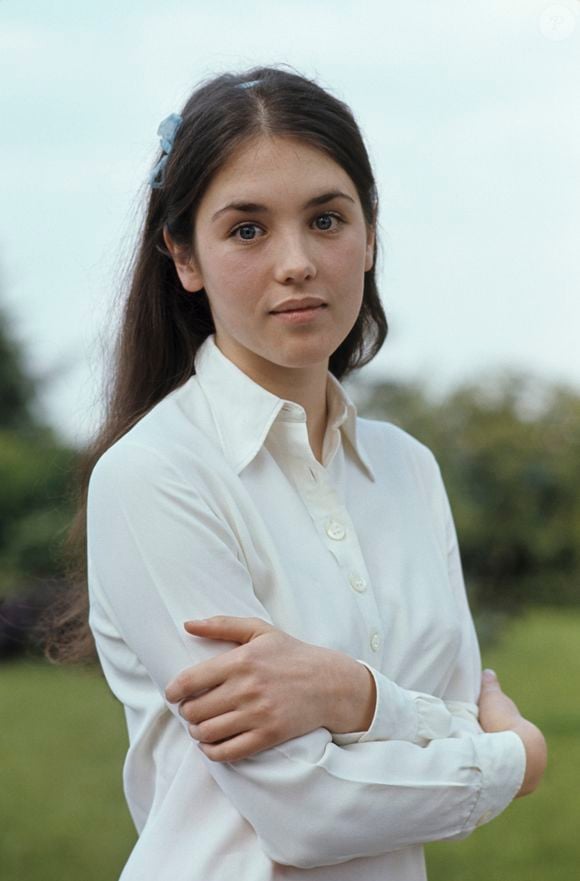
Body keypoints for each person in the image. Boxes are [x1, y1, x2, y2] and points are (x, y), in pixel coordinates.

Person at [73, 65, 546, 880]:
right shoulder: (153, 476)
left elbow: (465, 703)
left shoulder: (407, 468)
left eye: (326, 219)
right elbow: (304, 810)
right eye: (247, 229)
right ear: (183, 256)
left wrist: (346, 697)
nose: (296, 262)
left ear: (369, 235)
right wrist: (512, 756)